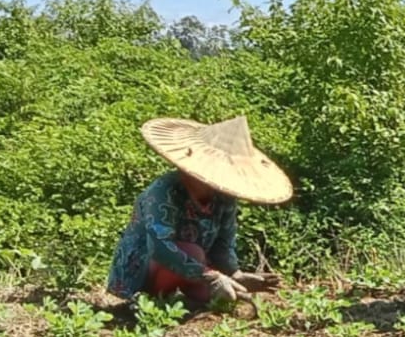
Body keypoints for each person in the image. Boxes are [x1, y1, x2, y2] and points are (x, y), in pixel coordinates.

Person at [107, 116, 290, 315]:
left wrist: (234, 273)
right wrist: (211, 276)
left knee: (222, 295)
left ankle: (191, 299)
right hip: (145, 268)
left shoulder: (224, 198)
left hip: (195, 268)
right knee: (194, 253)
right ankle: (148, 300)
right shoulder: (164, 191)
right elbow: (159, 247)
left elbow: (223, 243)